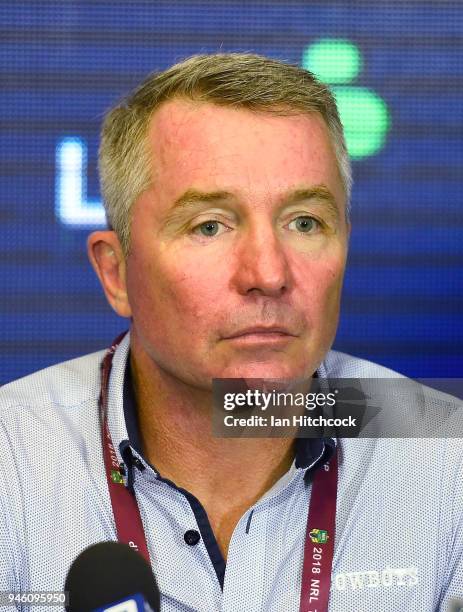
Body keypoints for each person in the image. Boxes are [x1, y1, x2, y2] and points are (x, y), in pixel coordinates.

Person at [0, 53, 462, 612]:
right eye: (210, 225)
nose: (268, 274)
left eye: (305, 222)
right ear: (116, 272)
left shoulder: (446, 456)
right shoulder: (13, 459)